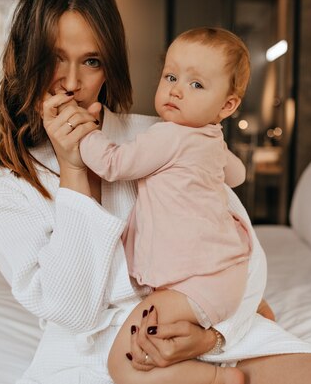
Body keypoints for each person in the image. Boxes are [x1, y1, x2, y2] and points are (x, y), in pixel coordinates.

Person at [0, 0, 311, 384]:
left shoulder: (159, 136)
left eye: (92, 62)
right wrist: (75, 169)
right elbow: (74, 311)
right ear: (25, 59)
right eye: (55, 58)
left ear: (109, 67)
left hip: (204, 338)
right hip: (99, 359)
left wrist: (211, 334)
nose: (73, 83)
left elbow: (237, 252)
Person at [80, 27, 254, 384]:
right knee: (155, 346)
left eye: (196, 85)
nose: (176, 89)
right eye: (171, 76)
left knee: (123, 364)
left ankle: (220, 380)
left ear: (227, 105)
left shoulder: (168, 135)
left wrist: (85, 134)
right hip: (226, 276)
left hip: (193, 285)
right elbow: (236, 175)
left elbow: (113, 164)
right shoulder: (212, 139)